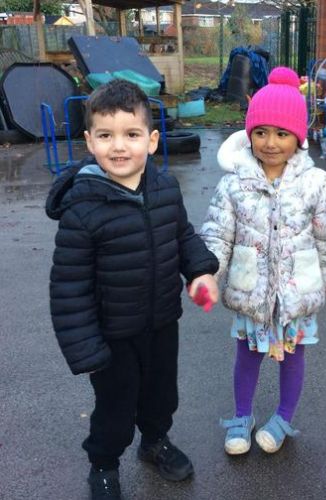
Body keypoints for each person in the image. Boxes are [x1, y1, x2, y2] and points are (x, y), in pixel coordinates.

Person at [46, 79, 219, 500]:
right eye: (106, 136)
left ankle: (155, 442)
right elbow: (68, 288)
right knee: (116, 409)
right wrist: (87, 350)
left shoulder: (164, 189)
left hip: (161, 323)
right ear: (90, 141)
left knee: (161, 396)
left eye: (131, 134)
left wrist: (200, 271)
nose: (119, 146)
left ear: (152, 140)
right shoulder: (82, 210)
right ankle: (103, 465)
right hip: (113, 336)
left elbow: (182, 236)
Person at [200, 67, 326, 456]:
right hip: (252, 291)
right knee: (247, 355)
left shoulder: (318, 185)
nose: (270, 143)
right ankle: (241, 416)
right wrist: (208, 272)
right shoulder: (234, 183)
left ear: (298, 136)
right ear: (249, 133)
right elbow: (218, 234)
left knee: (293, 358)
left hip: (295, 295)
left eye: (282, 133)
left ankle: (282, 417)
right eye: (261, 132)